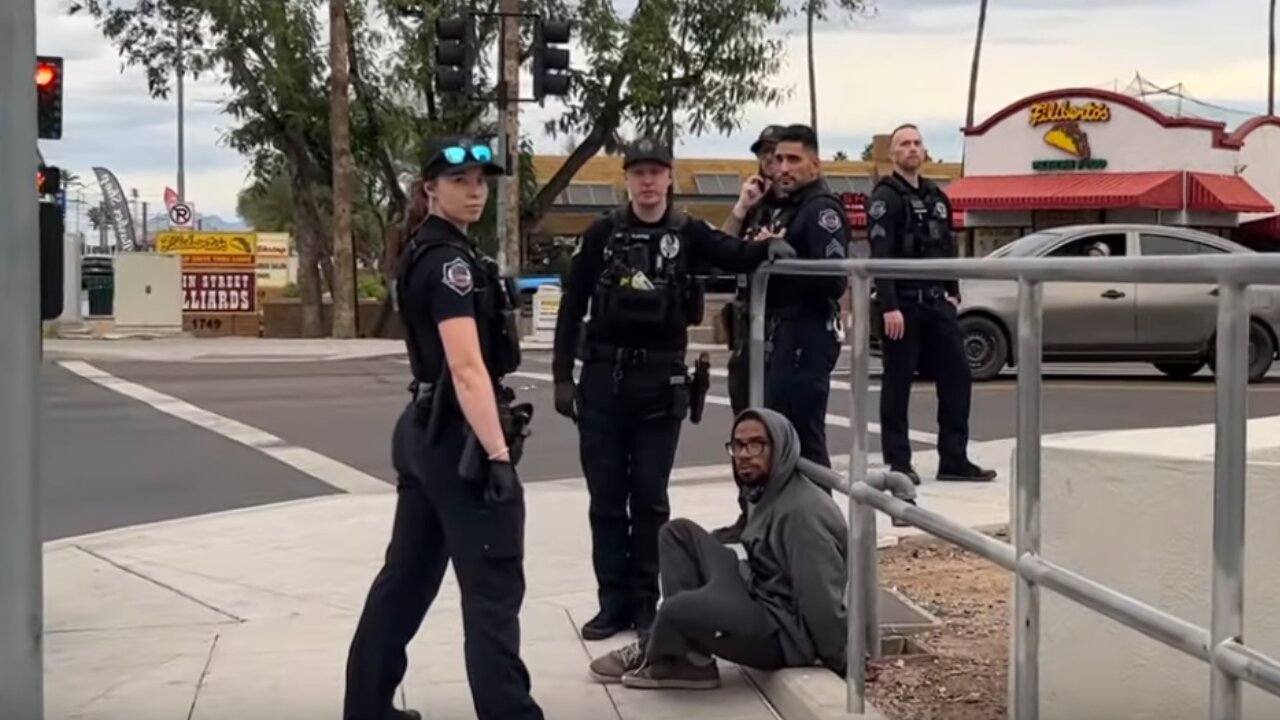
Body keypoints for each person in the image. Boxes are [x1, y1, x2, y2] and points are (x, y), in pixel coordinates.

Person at [552, 137, 795, 642]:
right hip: (602, 384)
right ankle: (610, 604)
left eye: (655, 172)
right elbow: (571, 306)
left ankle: (645, 603)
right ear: (626, 179)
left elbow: (735, 255)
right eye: (637, 172)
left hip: (659, 386)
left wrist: (766, 246)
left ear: (669, 178)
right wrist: (560, 377)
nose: (647, 181)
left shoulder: (687, 233)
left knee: (649, 500)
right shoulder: (601, 234)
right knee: (605, 501)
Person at [344, 138, 544, 720]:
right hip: (456, 438)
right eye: (459, 180)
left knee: (404, 582)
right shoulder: (451, 265)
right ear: (430, 189)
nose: (475, 188)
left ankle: (367, 708)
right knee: (492, 592)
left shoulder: (427, 250)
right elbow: (465, 366)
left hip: (423, 431)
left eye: (481, 179)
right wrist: (498, 456)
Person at [586, 408, 850, 689]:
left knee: (677, 608)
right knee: (678, 534)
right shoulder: (769, 488)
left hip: (784, 633)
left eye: (757, 444)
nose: (745, 454)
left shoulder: (802, 516)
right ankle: (686, 660)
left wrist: (844, 660)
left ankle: (661, 645)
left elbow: (820, 597)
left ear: (781, 446)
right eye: (738, 446)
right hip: (756, 590)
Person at [867, 124, 996, 485]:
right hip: (902, 306)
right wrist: (889, 304)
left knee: (957, 378)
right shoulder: (885, 198)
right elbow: (881, 254)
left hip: (939, 303)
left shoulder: (937, 196)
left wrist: (953, 292)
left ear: (925, 152)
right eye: (904, 144)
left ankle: (954, 459)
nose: (912, 149)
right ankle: (899, 463)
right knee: (898, 384)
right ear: (892, 155)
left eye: (917, 143)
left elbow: (947, 248)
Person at [711, 125, 788, 545]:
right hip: (745, 335)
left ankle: (779, 522)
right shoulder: (757, 206)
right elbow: (721, 249)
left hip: (779, 334)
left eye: (779, 156)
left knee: (777, 434)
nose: (773, 164)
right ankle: (748, 515)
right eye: (766, 156)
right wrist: (742, 207)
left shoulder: (799, 207)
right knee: (745, 431)